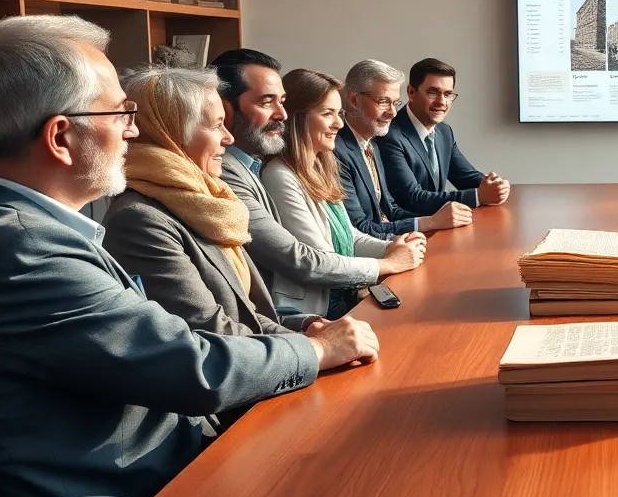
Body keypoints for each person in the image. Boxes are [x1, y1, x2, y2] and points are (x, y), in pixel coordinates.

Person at [0, 16, 378, 497]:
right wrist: (318, 351)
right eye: (121, 113)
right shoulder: (26, 248)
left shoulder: (22, 226)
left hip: (178, 458)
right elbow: (193, 367)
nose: (134, 131)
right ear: (60, 136)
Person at [103, 65, 323, 336]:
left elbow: (248, 315)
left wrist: (307, 326)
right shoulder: (139, 220)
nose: (228, 138)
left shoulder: (208, 201)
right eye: (216, 125)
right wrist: (318, 347)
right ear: (171, 132)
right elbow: (211, 331)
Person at [210, 49, 423, 318]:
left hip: (339, 298)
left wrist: (395, 247)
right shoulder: (263, 173)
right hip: (311, 313)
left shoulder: (318, 165)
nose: (338, 124)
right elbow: (306, 260)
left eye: (282, 102)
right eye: (327, 114)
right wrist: (387, 263)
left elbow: (349, 236)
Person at [336, 59, 471, 238]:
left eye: (396, 103)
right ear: (354, 100)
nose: (392, 113)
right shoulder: (336, 151)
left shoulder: (372, 144)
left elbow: (391, 211)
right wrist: (430, 222)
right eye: (384, 102)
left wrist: (436, 221)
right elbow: (360, 228)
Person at [378, 57, 510, 216]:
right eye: (433, 92)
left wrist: (494, 186)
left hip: (444, 226)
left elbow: (466, 176)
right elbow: (411, 198)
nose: (442, 102)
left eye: (448, 94)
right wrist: (479, 196)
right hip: (411, 232)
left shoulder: (444, 131)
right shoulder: (390, 135)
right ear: (411, 92)